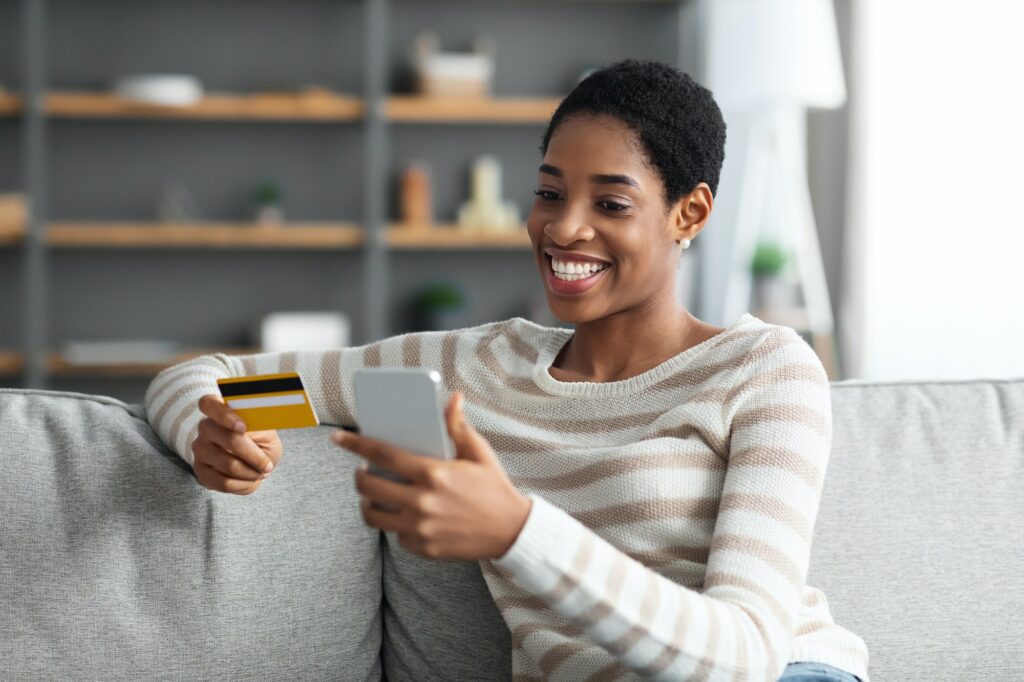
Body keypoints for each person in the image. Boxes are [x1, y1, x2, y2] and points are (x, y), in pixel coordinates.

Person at [144, 59, 869, 682]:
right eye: (550, 192)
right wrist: (206, 434)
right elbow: (213, 376)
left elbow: (743, 654)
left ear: (690, 213)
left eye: (610, 203)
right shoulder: (477, 369)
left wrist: (516, 530)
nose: (563, 228)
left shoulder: (763, 369)